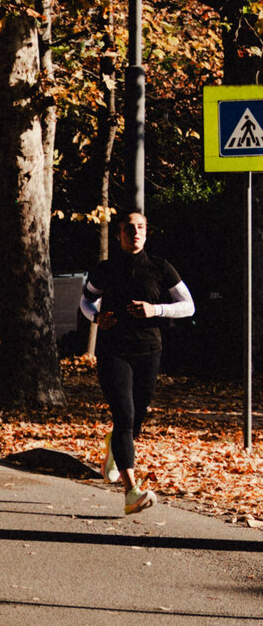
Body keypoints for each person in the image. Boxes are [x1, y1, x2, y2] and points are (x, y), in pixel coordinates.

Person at [80, 209, 195, 518]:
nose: (135, 232)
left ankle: (114, 447)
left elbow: (188, 306)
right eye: (129, 228)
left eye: (141, 227)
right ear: (119, 233)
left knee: (136, 417)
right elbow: (86, 300)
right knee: (125, 415)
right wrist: (96, 318)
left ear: (147, 232)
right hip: (113, 351)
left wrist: (155, 310)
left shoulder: (161, 268)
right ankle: (131, 491)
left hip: (149, 351)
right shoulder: (105, 269)